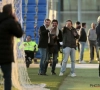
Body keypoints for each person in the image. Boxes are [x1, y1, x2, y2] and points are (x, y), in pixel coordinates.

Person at [0, 4, 23, 90]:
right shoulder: (10, 22)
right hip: (5, 54)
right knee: (7, 76)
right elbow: (19, 34)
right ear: (10, 11)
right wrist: (16, 21)